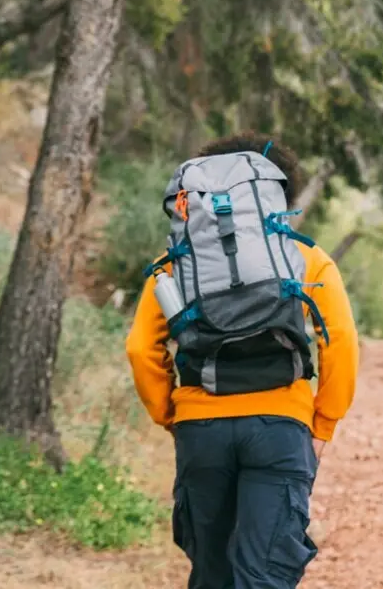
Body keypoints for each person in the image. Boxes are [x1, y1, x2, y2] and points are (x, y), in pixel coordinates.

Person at [125, 132, 360, 589]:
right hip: (280, 426)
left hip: (201, 428)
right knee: (264, 574)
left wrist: (172, 415)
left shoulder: (175, 262)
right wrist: (324, 423)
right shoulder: (307, 257)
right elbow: (341, 341)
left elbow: (140, 348)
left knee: (211, 571)